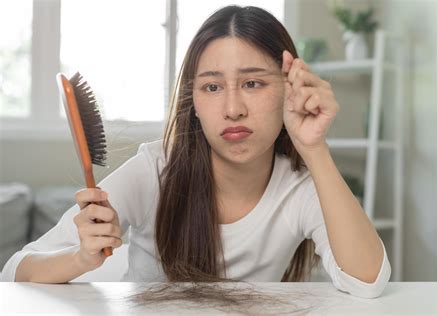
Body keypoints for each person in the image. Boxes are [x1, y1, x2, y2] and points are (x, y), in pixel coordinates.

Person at [1, 5, 390, 299]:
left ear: (290, 88)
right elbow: (15, 271)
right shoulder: (154, 169)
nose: (233, 108)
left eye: (253, 83)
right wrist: (79, 259)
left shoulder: (299, 187)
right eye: (212, 87)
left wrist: (314, 148)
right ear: (194, 101)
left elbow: (367, 282)